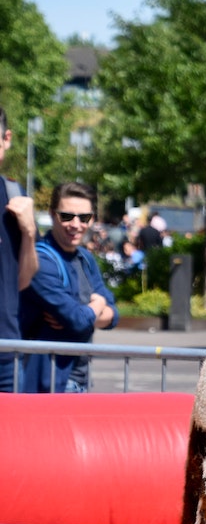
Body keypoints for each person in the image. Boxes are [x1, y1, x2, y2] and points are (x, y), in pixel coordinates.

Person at [19, 182, 118, 393]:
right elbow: (78, 320)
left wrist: (91, 309)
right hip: (50, 384)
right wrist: (94, 307)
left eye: (85, 218)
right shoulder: (40, 261)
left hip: (81, 380)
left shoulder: (85, 258)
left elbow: (112, 315)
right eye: (67, 216)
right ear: (52, 214)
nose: (76, 224)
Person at [0, 108, 38, 392]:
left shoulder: (14, 196)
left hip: (5, 349)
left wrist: (29, 232)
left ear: (6, 139)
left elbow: (22, 281)